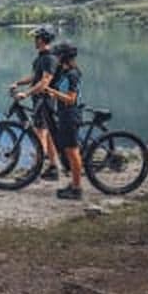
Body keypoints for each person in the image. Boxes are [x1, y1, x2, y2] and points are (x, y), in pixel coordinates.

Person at [10, 26, 60, 180]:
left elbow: (44, 82)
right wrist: (18, 83)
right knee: (48, 134)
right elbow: (34, 77)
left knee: (40, 135)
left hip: (45, 100)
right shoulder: (40, 58)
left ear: (42, 40)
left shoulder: (50, 58)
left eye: (36, 38)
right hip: (39, 99)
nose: (34, 41)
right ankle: (53, 168)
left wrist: (26, 93)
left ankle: (35, 172)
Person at [43, 42, 83, 200]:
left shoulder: (72, 74)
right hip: (64, 114)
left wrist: (51, 91)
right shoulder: (66, 72)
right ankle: (73, 183)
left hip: (70, 114)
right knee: (68, 151)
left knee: (72, 152)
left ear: (64, 57)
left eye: (58, 55)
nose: (56, 58)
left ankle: (77, 189)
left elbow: (71, 99)